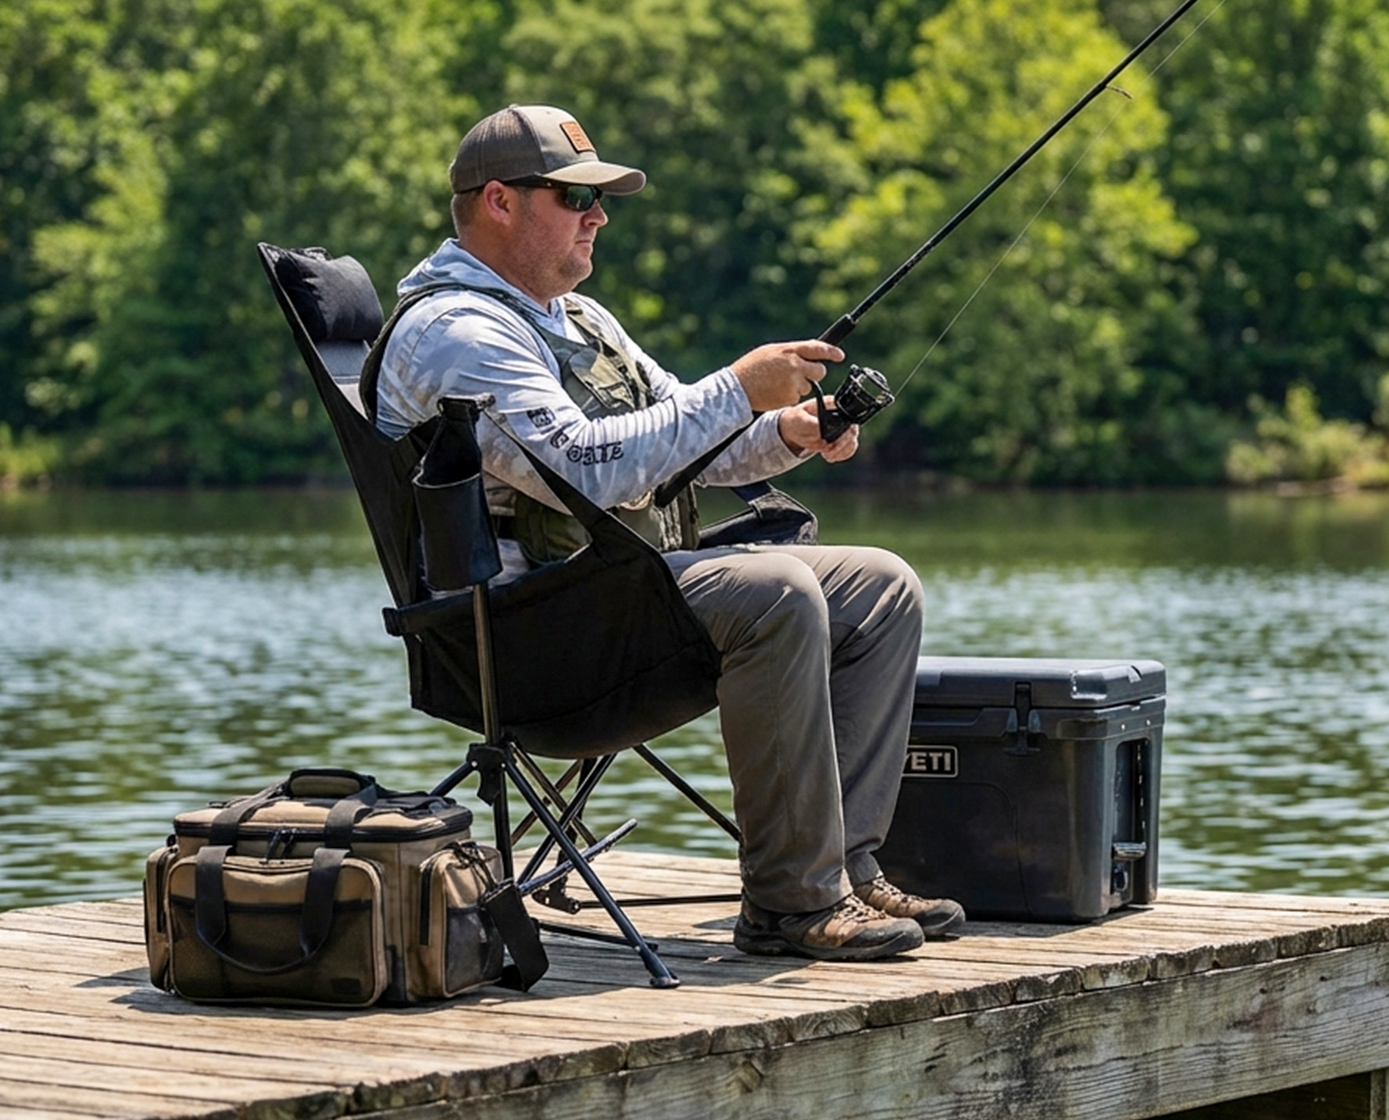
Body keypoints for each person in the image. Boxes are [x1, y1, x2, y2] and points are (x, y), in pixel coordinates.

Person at [373, 104, 964, 961]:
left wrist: (787, 429)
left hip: (617, 602)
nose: (598, 216)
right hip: (524, 641)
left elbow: (686, 442)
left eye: (600, 200)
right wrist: (736, 385)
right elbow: (587, 468)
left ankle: (843, 867)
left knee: (879, 584)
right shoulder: (455, 332)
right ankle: (791, 905)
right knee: (777, 588)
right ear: (499, 201)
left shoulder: (582, 320)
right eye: (576, 198)